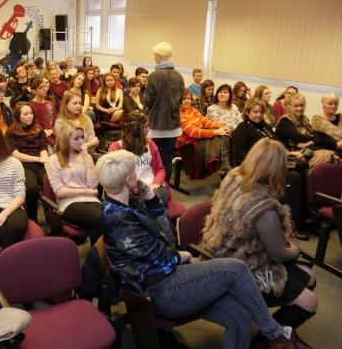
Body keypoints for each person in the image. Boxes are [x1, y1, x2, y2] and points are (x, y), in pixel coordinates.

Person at [95, 149, 308, 349]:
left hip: (171, 275)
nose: (138, 174)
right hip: (156, 290)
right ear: (128, 180)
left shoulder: (130, 202)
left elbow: (168, 234)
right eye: (134, 172)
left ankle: (275, 335)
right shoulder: (116, 217)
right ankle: (276, 334)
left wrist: (150, 199)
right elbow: (163, 256)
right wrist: (184, 255)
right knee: (235, 268)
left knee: (241, 315)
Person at [203, 138, 317, 347]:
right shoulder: (262, 207)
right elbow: (279, 255)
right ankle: (268, 340)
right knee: (310, 300)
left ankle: (283, 330)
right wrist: (296, 252)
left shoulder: (234, 175)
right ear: (277, 169)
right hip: (242, 269)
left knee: (309, 278)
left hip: (218, 254)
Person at [232, 98, 309, 240]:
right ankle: (290, 223)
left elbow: (276, 144)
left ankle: (303, 217)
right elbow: (238, 153)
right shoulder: (242, 128)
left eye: (261, 112)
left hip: (274, 164)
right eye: (255, 112)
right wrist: (261, 159)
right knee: (294, 177)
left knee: (304, 172)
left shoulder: (265, 126)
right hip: (257, 168)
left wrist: (289, 153)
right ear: (247, 112)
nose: (258, 115)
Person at [45, 122, 104, 244]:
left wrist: (87, 157)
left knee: (109, 218)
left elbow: (93, 184)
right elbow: (60, 192)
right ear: (65, 140)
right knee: (100, 219)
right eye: (76, 138)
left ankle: (100, 258)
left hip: (91, 199)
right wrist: (85, 191)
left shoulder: (86, 156)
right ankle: (99, 259)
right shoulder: (53, 160)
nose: (81, 141)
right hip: (69, 202)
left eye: (82, 137)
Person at [143, 42, 184, 182]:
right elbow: (180, 100)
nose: (154, 58)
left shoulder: (155, 75)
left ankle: (154, 185)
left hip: (156, 124)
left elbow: (147, 100)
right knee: (167, 159)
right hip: (173, 125)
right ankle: (164, 186)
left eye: (155, 55)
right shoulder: (179, 76)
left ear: (160, 56)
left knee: (153, 157)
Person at [108, 110, 169, 204]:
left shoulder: (151, 144)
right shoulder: (116, 148)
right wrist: (135, 189)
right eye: (145, 127)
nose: (148, 129)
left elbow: (160, 169)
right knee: (146, 204)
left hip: (152, 186)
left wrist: (155, 183)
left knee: (160, 195)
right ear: (136, 129)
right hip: (130, 191)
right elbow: (113, 178)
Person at [6, 102, 48, 222]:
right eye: (26, 114)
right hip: (22, 165)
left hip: (40, 163)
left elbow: (43, 148)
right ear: (18, 116)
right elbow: (15, 154)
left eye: (31, 113)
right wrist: (39, 159)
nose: (30, 116)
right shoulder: (11, 132)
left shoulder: (39, 129)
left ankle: (53, 219)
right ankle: (32, 219)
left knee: (50, 184)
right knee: (31, 188)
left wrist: (44, 159)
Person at [276, 93, 340, 166]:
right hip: (287, 155)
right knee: (327, 156)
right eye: (296, 106)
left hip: (304, 152)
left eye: (301, 105)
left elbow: (317, 139)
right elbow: (299, 137)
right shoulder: (285, 121)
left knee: (332, 155)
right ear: (290, 107)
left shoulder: (304, 119)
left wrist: (308, 141)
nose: (299, 108)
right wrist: (310, 139)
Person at [179, 89, 232, 176]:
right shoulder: (178, 114)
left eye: (188, 98)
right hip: (188, 142)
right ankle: (224, 164)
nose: (187, 101)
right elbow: (193, 132)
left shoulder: (192, 110)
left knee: (224, 134)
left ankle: (224, 165)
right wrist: (216, 131)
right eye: (183, 99)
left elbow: (206, 122)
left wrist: (222, 127)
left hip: (199, 139)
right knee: (219, 136)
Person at [30, 78, 57, 147]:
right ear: (33, 91)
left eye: (45, 86)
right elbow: (33, 126)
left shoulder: (50, 104)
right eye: (41, 87)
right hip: (40, 138)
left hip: (54, 134)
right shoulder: (30, 106)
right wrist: (44, 133)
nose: (45, 89)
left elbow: (56, 121)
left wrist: (51, 130)